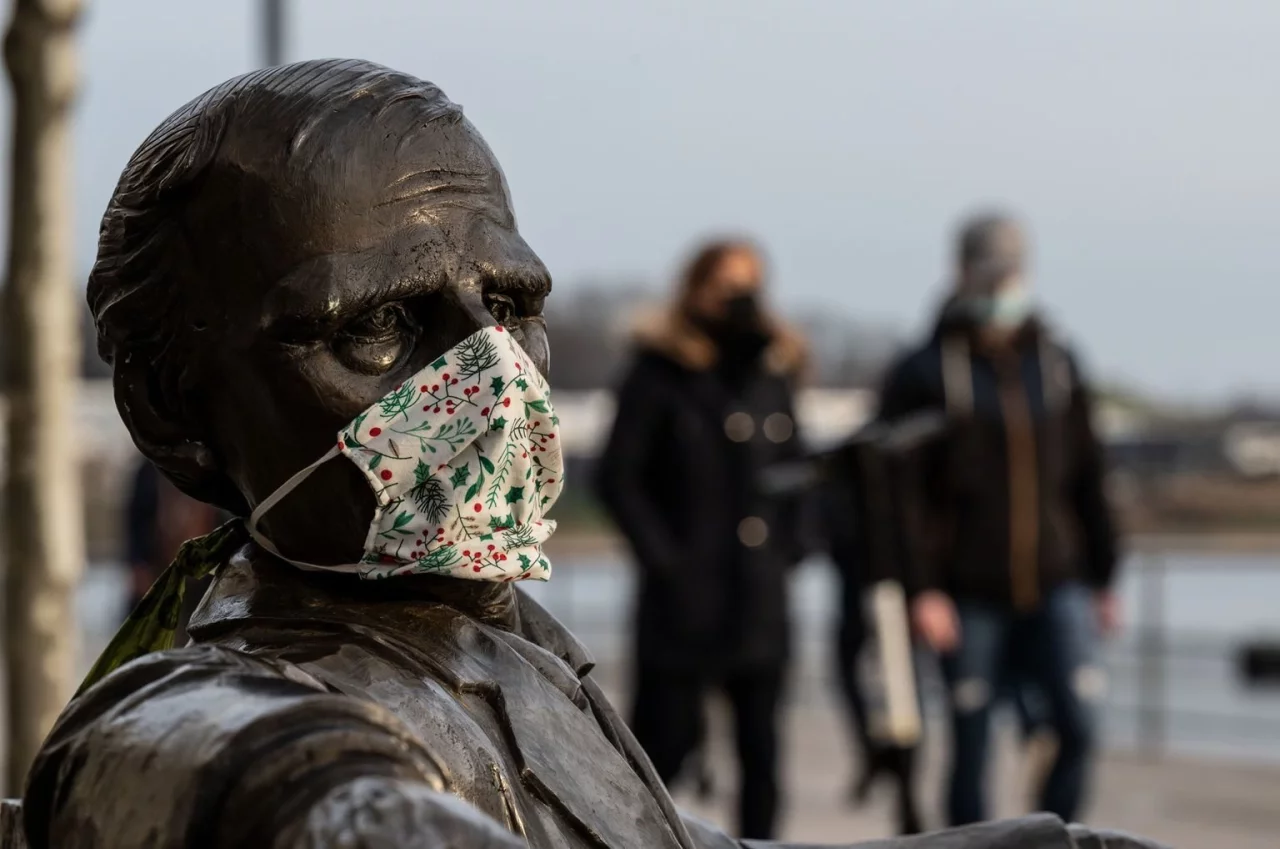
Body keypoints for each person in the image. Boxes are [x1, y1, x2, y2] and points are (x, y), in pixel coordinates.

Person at [15, 62, 1161, 849]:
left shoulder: (500, 642)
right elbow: (231, 760)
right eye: (378, 326)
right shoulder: (219, 701)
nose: (491, 378)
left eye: (510, 305)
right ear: (174, 410)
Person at [880, 212, 1121, 827]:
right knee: (972, 742)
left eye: (1012, 272)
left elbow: (1089, 475)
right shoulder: (923, 370)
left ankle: (1049, 836)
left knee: (1080, 724)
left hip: (1057, 579)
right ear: (961, 273)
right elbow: (899, 498)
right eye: (989, 272)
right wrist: (921, 588)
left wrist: (1105, 575)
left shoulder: (1057, 362)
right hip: (965, 591)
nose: (1001, 287)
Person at [594, 239, 809, 839]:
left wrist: (793, 547)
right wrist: (666, 560)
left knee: (762, 758)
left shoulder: (771, 374)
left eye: (750, 285)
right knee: (660, 753)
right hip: (683, 602)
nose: (739, 299)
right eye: (726, 284)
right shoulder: (658, 372)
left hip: (760, 599)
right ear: (695, 288)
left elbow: (798, 471)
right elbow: (618, 478)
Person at [123, 457, 221, 638]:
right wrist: (138, 563)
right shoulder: (148, 470)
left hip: (206, 569)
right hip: (160, 567)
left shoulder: (213, 466)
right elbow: (135, 519)